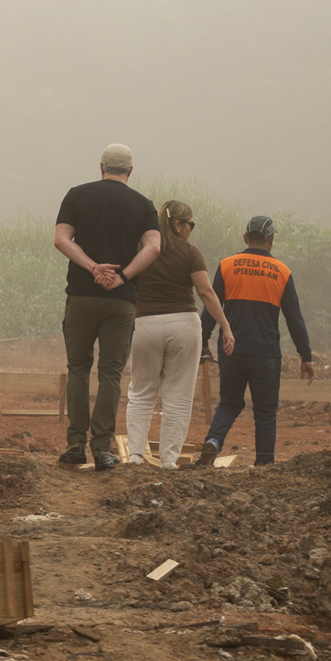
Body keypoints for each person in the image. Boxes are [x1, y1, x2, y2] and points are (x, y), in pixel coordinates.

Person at [53, 144, 161, 471]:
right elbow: (154, 247)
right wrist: (122, 276)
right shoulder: (143, 205)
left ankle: (75, 444)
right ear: (131, 171)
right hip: (120, 301)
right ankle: (102, 448)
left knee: (78, 368)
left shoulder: (76, 195)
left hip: (82, 297)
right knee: (111, 373)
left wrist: (92, 267)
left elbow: (61, 239)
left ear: (101, 166)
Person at [196, 215, 314, 467]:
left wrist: (203, 340)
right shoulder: (282, 272)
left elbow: (211, 307)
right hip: (266, 354)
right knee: (265, 412)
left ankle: (214, 440)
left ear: (245, 238)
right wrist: (306, 356)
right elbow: (295, 319)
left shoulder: (227, 266)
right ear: (271, 241)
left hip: (232, 350)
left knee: (229, 402)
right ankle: (263, 466)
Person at [125, 200, 234, 469]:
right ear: (178, 224)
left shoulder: (141, 249)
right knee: (178, 396)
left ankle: (136, 456)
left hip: (145, 325)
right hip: (184, 326)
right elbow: (206, 293)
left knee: (141, 392)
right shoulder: (190, 252)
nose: (191, 230)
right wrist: (226, 326)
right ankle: (170, 460)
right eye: (190, 225)